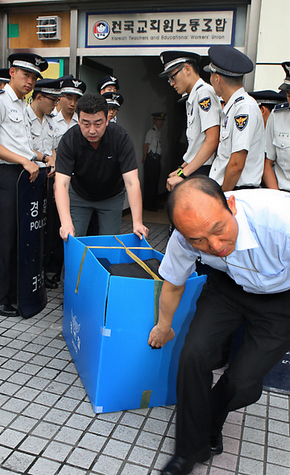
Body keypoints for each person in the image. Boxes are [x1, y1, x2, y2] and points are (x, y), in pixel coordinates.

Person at [148, 176, 290, 475]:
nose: (214, 246)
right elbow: (173, 285)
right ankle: (187, 452)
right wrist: (164, 326)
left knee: (242, 383)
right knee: (193, 354)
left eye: (218, 230)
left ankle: (211, 419)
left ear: (232, 205)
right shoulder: (184, 238)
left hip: (281, 300)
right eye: (198, 240)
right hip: (227, 288)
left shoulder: (281, 221)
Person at [54, 93, 148, 240]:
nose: (92, 130)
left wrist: (137, 222)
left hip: (111, 196)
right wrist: (65, 223)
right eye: (86, 124)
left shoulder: (120, 138)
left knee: (109, 242)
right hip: (79, 195)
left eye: (98, 124)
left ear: (107, 121)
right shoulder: (69, 140)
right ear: (78, 121)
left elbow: (131, 182)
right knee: (73, 239)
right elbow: (61, 184)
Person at [0, 52, 48, 317]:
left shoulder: (21, 105)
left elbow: (23, 146)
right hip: (7, 176)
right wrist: (24, 161)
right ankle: (1, 297)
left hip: (24, 175)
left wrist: (41, 159)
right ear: (12, 73)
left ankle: (16, 292)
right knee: (6, 239)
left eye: (33, 77)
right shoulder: (3, 102)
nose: (30, 81)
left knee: (21, 238)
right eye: (26, 75)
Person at [159, 51, 221, 191]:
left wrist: (183, 175)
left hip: (203, 169)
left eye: (173, 77)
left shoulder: (204, 94)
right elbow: (196, 147)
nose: (171, 83)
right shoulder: (193, 97)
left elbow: (212, 140)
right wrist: (181, 170)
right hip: (195, 167)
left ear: (187, 69)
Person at [205, 45, 264, 192]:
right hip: (231, 190)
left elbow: (237, 164)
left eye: (211, 76)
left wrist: (223, 197)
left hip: (236, 192)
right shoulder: (233, 108)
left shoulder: (244, 108)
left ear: (217, 78)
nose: (210, 80)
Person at [26, 78, 62, 289]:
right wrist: (46, 158)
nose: (55, 105)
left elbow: (54, 147)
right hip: (27, 182)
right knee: (30, 231)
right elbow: (22, 147)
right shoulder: (24, 117)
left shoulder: (49, 121)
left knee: (45, 230)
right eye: (52, 100)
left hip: (46, 181)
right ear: (39, 97)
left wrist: (54, 161)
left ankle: (41, 272)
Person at [264, 62, 290, 192]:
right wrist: (277, 197)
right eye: (289, 94)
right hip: (283, 194)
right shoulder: (277, 115)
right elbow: (267, 163)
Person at [142, 112, 166, 211]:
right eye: (159, 120)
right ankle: (149, 205)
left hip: (157, 159)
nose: (161, 123)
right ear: (154, 121)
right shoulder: (151, 132)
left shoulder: (158, 132)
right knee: (150, 183)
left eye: (162, 121)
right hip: (151, 159)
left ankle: (154, 203)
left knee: (155, 182)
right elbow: (146, 144)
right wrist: (145, 156)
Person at [54, 76, 86, 147]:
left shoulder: (82, 121)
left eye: (76, 100)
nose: (72, 104)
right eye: (69, 98)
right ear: (60, 96)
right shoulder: (51, 119)